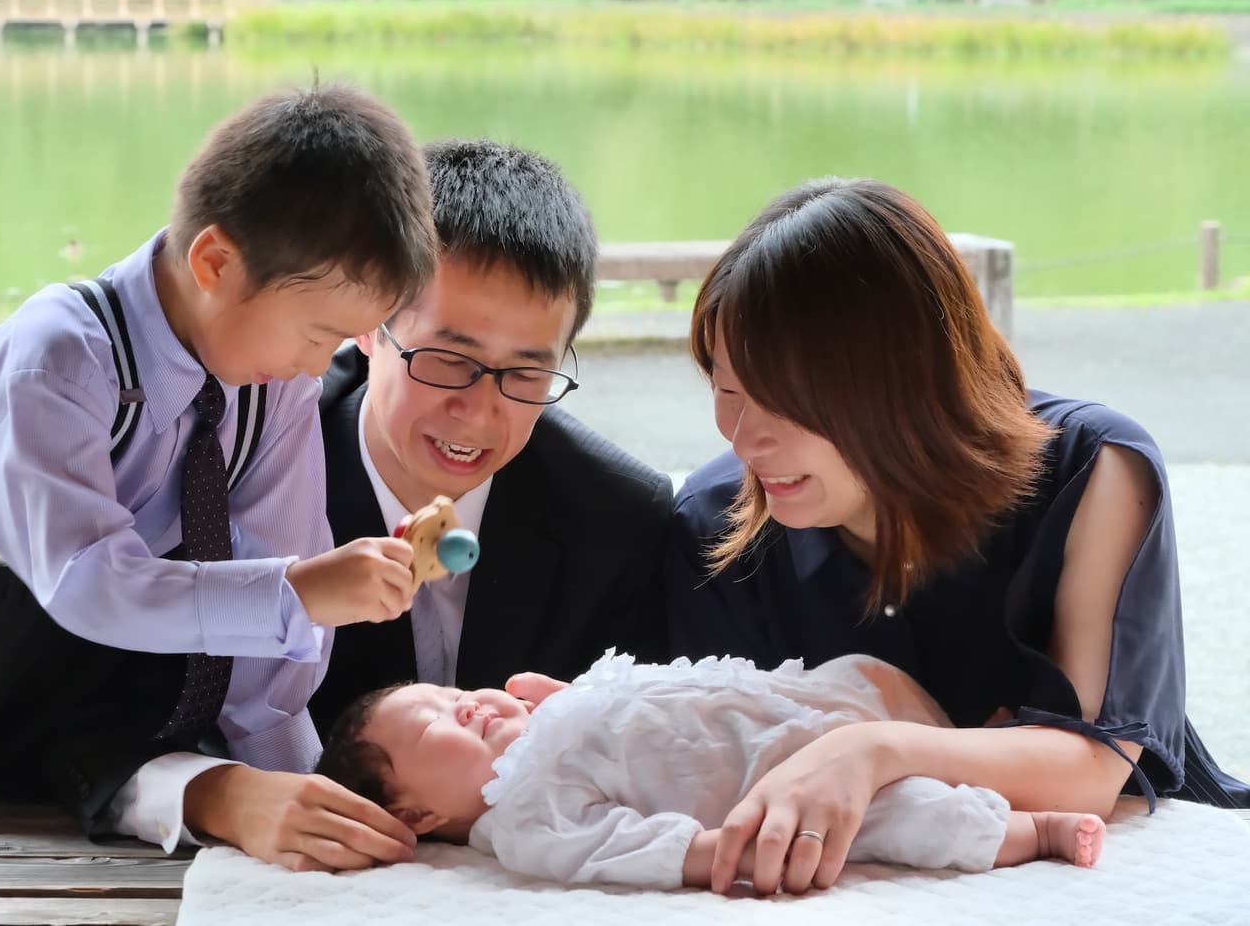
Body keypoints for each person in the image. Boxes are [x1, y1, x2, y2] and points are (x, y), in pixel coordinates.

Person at [0, 84, 438, 878]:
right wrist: (298, 591)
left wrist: (303, 785)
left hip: (67, 709)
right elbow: (91, 582)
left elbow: (276, 630)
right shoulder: (57, 352)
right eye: (318, 333)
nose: (324, 364)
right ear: (215, 260)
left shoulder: (272, 383)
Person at [663, 177, 1250, 896]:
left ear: (908, 380)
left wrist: (870, 749)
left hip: (1134, 875)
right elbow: (712, 766)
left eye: (786, 398)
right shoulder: (712, 519)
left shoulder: (1095, 470)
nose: (747, 439)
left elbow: (1094, 770)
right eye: (726, 389)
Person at [108, 140, 674, 868]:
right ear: (368, 329)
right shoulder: (225, 475)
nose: (477, 412)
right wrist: (222, 795)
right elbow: (93, 716)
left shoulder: (618, 519)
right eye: (447, 359)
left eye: (525, 373)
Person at [316, 651, 1107, 890]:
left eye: (454, 692)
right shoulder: (525, 820)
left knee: (868, 670)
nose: (465, 705)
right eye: (434, 726)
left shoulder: (538, 718)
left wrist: (555, 698)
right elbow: (622, 844)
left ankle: (963, 742)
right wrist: (720, 848)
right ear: (417, 813)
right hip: (771, 776)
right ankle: (1032, 829)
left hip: (782, 700)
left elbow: (621, 706)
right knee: (906, 817)